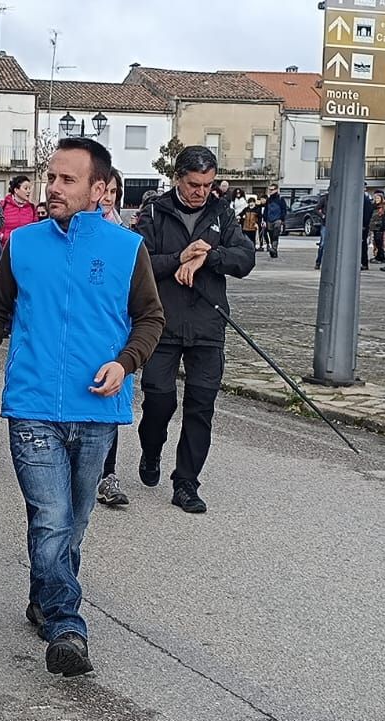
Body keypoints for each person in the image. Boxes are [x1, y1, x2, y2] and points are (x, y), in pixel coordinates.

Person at [0, 136, 165, 677]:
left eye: (66, 180)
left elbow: (151, 318)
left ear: (99, 189)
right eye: (50, 177)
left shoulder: (127, 248)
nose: (52, 187)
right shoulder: (23, 244)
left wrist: (125, 363)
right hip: (32, 407)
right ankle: (66, 626)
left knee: (72, 523)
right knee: (52, 519)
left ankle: (44, 596)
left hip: (97, 411)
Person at [133, 145, 255, 513]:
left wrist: (208, 257)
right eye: (193, 184)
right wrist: (180, 258)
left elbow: (245, 258)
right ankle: (151, 449)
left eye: (208, 184)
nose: (201, 192)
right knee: (159, 400)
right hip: (161, 323)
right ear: (177, 179)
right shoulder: (154, 212)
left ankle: (186, 482)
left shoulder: (222, 213)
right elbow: (139, 264)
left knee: (200, 408)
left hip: (208, 324)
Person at [96, 171, 131, 507]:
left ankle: (108, 475)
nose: (107, 197)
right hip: (86, 332)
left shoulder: (126, 238)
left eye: (113, 191)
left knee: (110, 403)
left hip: (114, 333)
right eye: (103, 190)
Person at [2, 174, 36, 245]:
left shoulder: (32, 208)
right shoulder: (3, 205)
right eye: (26, 188)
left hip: (25, 246)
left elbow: (35, 228)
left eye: (29, 188)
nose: (29, 191)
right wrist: (2, 237)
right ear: (16, 190)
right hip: (6, 247)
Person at [264, 183, 289, 259]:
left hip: (277, 220)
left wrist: (281, 219)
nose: (270, 191)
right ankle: (274, 251)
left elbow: (284, 210)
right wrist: (264, 220)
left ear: (276, 190)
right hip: (269, 220)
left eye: (272, 189)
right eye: (269, 189)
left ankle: (274, 248)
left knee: (275, 235)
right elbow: (266, 210)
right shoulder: (268, 200)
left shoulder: (281, 199)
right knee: (271, 235)